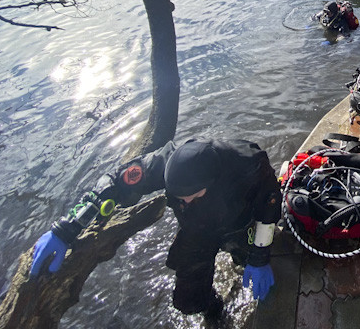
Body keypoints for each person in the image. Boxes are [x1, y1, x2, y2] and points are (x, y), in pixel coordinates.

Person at [29, 138, 282, 322]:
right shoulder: (163, 163)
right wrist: (66, 229)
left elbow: (269, 209)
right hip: (197, 232)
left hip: (238, 226)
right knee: (188, 301)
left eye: (191, 197)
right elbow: (113, 183)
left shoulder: (248, 165)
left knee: (252, 268)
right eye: (179, 199)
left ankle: (243, 262)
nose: (184, 203)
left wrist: (259, 258)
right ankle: (214, 311)